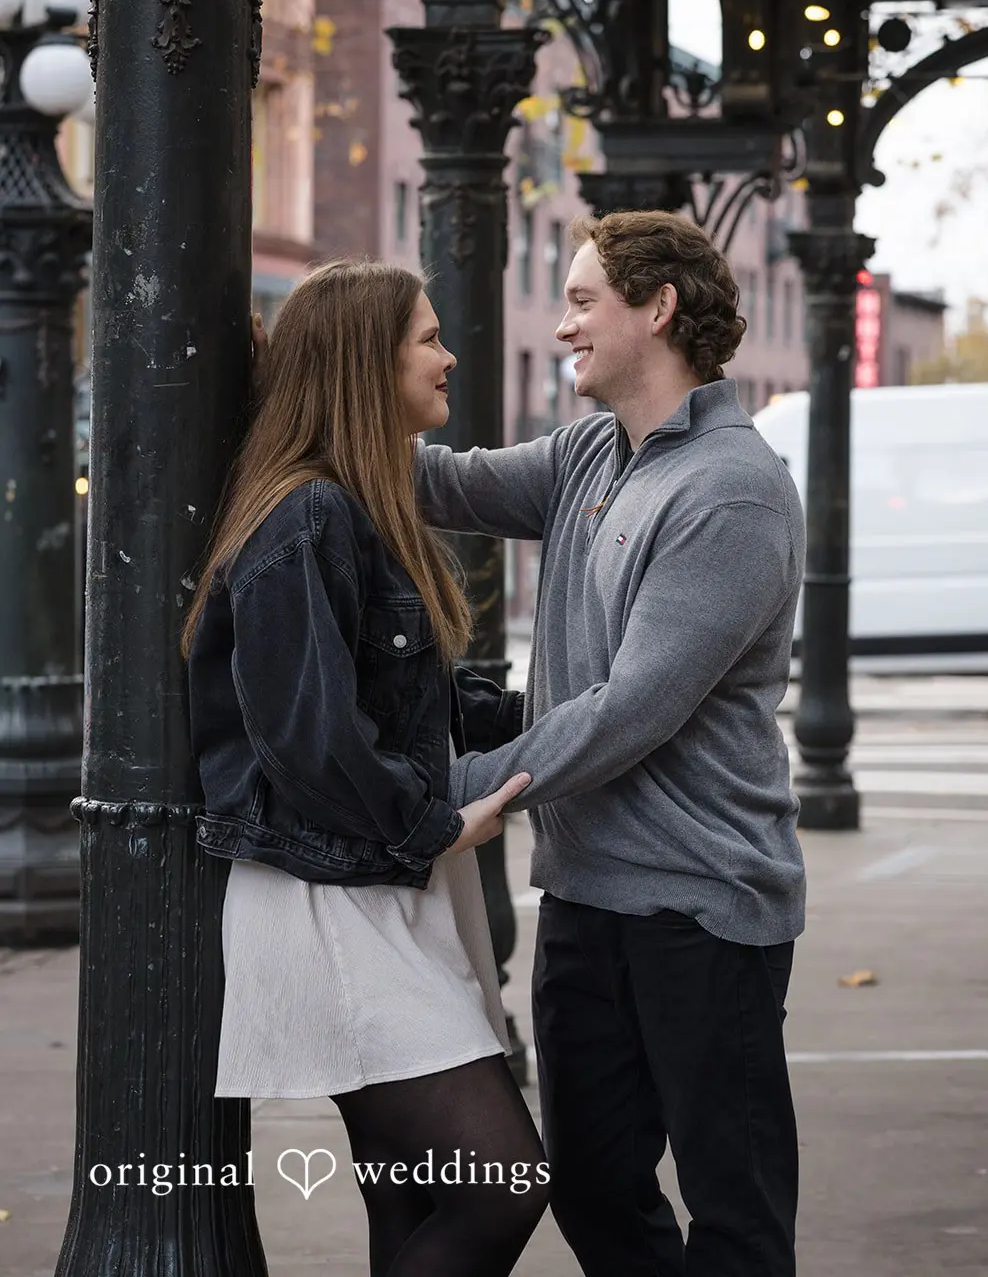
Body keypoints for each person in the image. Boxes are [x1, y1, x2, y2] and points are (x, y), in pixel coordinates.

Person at [415, 210, 807, 1277]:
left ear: (657, 306)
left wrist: (446, 791)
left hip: (700, 906)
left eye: (583, 300)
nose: (560, 325)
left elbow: (630, 710)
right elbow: (437, 485)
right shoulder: (594, 452)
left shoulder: (729, 488)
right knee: (590, 1185)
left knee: (734, 1210)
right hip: (588, 897)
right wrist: (303, 408)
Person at [183, 260, 549, 1277]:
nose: (448, 354)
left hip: (373, 884)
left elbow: (412, 703)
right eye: (426, 338)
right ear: (361, 362)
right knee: (501, 1180)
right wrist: (433, 825)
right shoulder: (307, 517)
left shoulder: (354, 509)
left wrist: (566, 717)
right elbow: (309, 735)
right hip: (328, 898)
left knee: (415, 1200)